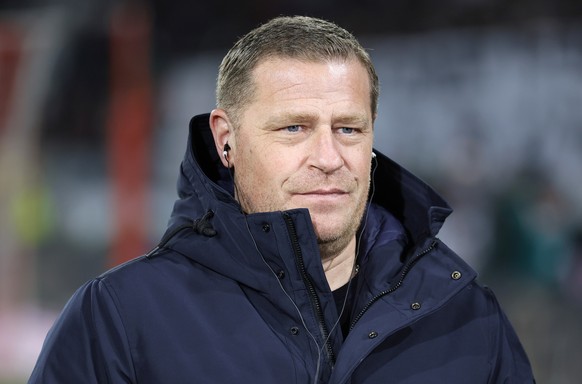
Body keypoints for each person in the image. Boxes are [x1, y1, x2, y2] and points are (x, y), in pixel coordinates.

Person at [29, 16, 535, 383]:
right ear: (227, 139)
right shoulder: (120, 318)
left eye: (349, 128)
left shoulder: (468, 317)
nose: (329, 157)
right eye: (294, 128)